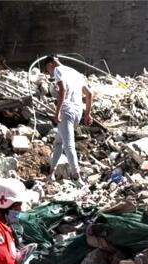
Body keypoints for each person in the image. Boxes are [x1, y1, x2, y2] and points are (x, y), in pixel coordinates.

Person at [40, 55, 93, 183]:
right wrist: (87, 114)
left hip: (67, 110)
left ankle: (76, 177)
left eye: (48, 70)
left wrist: (57, 112)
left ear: (51, 64)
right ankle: (51, 173)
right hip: (78, 112)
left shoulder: (58, 70)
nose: (50, 73)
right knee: (59, 142)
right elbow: (89, 94)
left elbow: (62, 90)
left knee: (69, 145)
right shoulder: (75, 73)